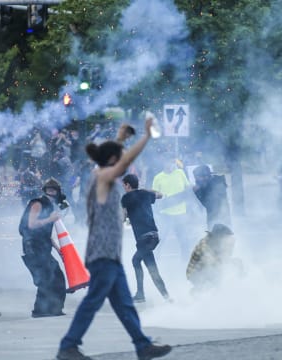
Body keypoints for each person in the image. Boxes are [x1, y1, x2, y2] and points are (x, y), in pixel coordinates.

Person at [56, 119, 172, 360]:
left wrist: (120, 137)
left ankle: (142, 345)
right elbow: (123, 161)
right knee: (93, 301)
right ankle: (68, 346)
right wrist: (145, 137)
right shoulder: (101, 179)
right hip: (102, 255)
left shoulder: (101, 175)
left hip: (110, 255)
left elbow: (111, 157)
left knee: (125, 306)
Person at [19, 177, 68, 318]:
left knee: (55, 276)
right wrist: (50, 219)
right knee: (45, 278)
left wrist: (59, 250)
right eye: (51, 191)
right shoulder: (37, 204)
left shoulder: (49, 207)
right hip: (33, 247)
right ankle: (40, 311)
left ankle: (53, 309)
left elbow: (47, 234)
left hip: (42, 246)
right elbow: (31, 225)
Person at [121, 173, 170, 303]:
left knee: (138, 262)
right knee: (148, 265)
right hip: (154, 236)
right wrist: (144, 189)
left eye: (124, 185)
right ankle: (165, 297)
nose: (123, 188)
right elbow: (160, 194)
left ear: (128, 185)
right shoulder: (146, 194)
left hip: (144, 238)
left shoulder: (126, 198)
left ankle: (142, 294)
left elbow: (123, 217)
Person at [152, 157, 192, 261]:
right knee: (159, 242)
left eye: (172, 162)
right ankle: (155, 264)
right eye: (168, 162)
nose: (170, 165)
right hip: (165, 215)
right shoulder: (158, 177)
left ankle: (186, 264)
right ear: (163, 162)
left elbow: (187, 189)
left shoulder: (180, 173)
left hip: (181, 214)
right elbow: (154, 195)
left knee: (184, 242)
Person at [186, 223, 241, 293]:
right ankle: (198, 291)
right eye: (225, 238)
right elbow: (212, 262)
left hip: (208, 268)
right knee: (215, 273)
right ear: (219, 237)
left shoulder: (218, 243)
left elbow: (224, 258)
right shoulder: (205, 245)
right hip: (195, 273)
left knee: (237, 263)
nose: (227, 241)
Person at [192, 164, 231, 229]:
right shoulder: (204, 183)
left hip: (221, 216)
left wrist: (198, 191)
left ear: (206, 176)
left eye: (198, 177)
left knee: (224, 235)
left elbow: (208, 203)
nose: (196, 179)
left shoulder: (218, 183)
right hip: (212, 216)